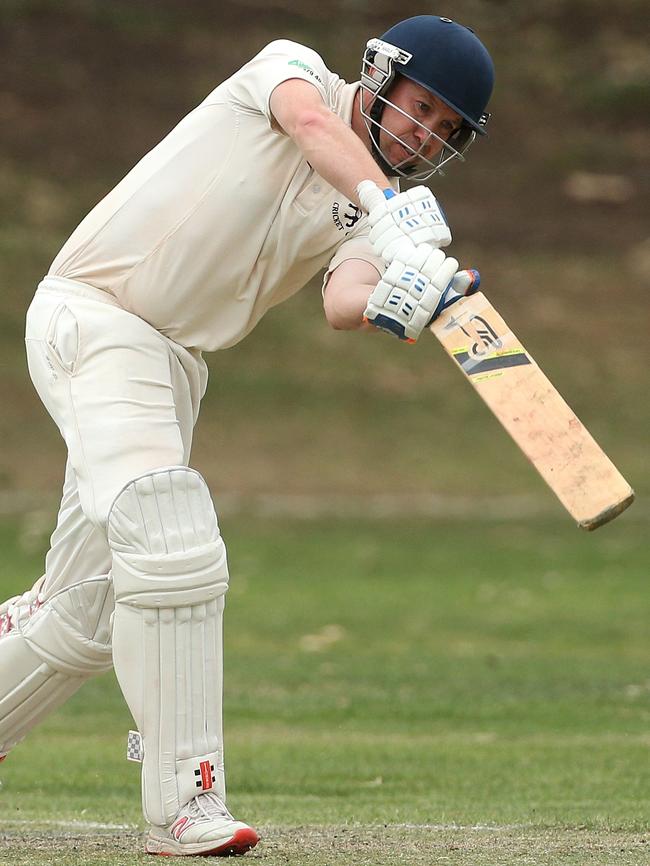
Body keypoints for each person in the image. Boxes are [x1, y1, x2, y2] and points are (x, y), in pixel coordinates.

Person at [0, 14, 494, 857]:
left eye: (448, 130)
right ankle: (187, 803)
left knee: (87, 610)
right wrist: (390, 207)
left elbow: (344, 303)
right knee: (167, 525)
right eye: (423, 108)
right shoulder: (291, 69)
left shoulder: (373, 214)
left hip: (171, 367)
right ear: (379, 72)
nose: (427, 134)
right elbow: (308, 125)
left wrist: (405, 301)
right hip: (96, 314)